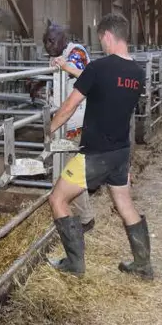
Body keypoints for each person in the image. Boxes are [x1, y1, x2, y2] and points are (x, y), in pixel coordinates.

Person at [46, 14, 152, 279]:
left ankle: (74, 263)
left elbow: (70, 106)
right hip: (119, 152)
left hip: (95, 154)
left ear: (106, 36)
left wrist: (49, 129)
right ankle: (143, 264)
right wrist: (72, 69)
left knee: (57, 199)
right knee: (125, 205)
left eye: (101, 39)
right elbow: (109, 92)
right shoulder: (137, 74)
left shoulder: (100, 68)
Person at [39, 21, 95, 233]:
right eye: (45, 40)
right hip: (67, 119)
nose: (48, 45)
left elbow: (83, 75)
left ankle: (85, 218)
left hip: (77, 121)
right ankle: (81, 216)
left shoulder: (76, 52)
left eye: (52, 40)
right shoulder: (59, 56)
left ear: (65, 39)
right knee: (68, 169)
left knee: (70, 171)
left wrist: (63, 66)